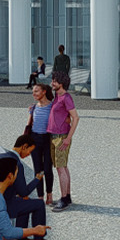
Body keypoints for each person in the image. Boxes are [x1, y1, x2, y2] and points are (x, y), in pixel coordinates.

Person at [0, 136, 61, 240]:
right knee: (39, 204)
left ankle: (22, 237)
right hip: (5, 206)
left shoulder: (0, 157)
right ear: (24, 146)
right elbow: (24, 192)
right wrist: (37, 179)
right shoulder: (16, 164)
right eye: (29, 152)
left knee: (24, 202)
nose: (28, 155)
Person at [47, 78, 79, 209]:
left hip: (61, 137)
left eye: (54, 81)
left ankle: (63, 199)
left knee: (60, 169)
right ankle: (67, 196)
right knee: (63, 167)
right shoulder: (56, 96)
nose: (52, 83)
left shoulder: (66, 98)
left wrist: (68, 138)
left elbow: (76, 118)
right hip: (53, 136)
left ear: (61, 83)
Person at [26, 82, 56, 203]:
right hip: (35, 139)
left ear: (44, 92)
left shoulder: (53, 106)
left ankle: (49, 194)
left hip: (48, 139)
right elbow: (29, 125)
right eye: (33, 91)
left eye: (36, 91)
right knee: (37, 170)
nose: (34, 94)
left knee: (48, 169)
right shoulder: (33, 108)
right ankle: (40, 197)